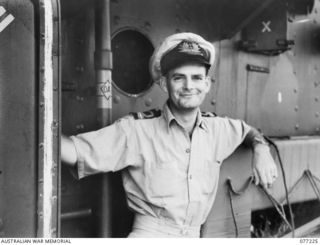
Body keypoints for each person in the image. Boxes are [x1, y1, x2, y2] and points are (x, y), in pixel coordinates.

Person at [61, 32, 278, 238]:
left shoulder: (218, 129)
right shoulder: (137, 130)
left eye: (196, 78)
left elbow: (247, 131)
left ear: (206, 84)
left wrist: (261, 148)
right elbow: (75, 151)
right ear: (165, 84)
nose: (188, 86)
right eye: (179, 78)